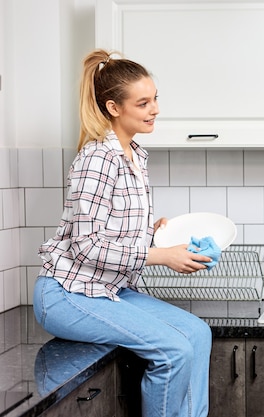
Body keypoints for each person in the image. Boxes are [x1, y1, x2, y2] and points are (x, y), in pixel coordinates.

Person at [33, 49, 213, 417]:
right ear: (114, 107)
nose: (155, 109)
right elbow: (85, 245)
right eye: (143, 102)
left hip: (106, 289)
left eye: (155, 99)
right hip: (67, 294)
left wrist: (154, 233)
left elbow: (110, 230)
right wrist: (160, 255)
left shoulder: (134, 155)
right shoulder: (97, 158)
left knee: (197, 334)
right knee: (173, 350)